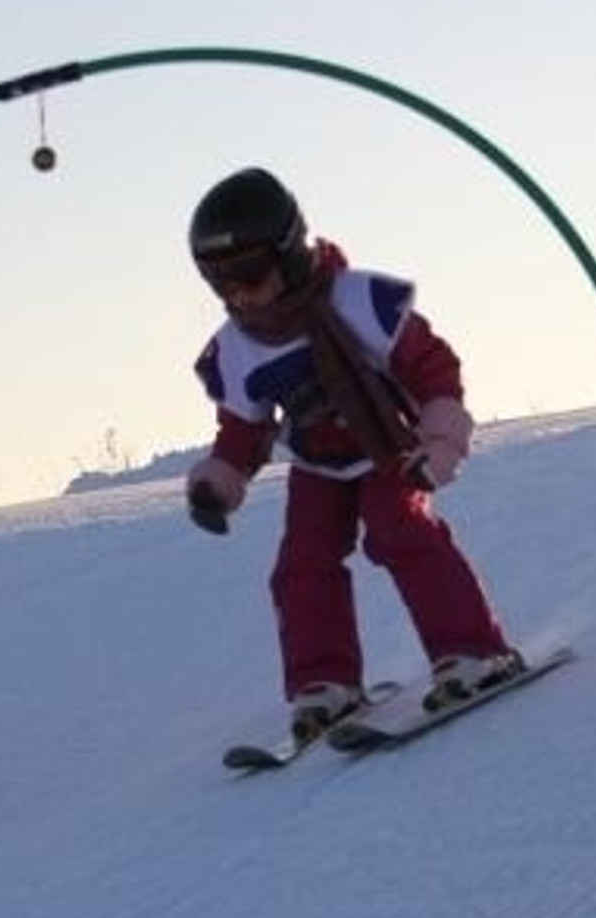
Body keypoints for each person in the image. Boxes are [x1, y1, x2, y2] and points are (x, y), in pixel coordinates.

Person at [180, 166, 520, 743]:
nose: (239, 295)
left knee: (399, 531)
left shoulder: (358, 300)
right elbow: (244, 427)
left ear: (288, 254)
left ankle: (471, 651)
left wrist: (439, 440)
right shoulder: (238, 347)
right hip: (319, 465)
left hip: (391, 449)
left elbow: (433, 366)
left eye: (250, 275)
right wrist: (220, 480)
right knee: (300, 565)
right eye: (220, 283)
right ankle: (326, 683)